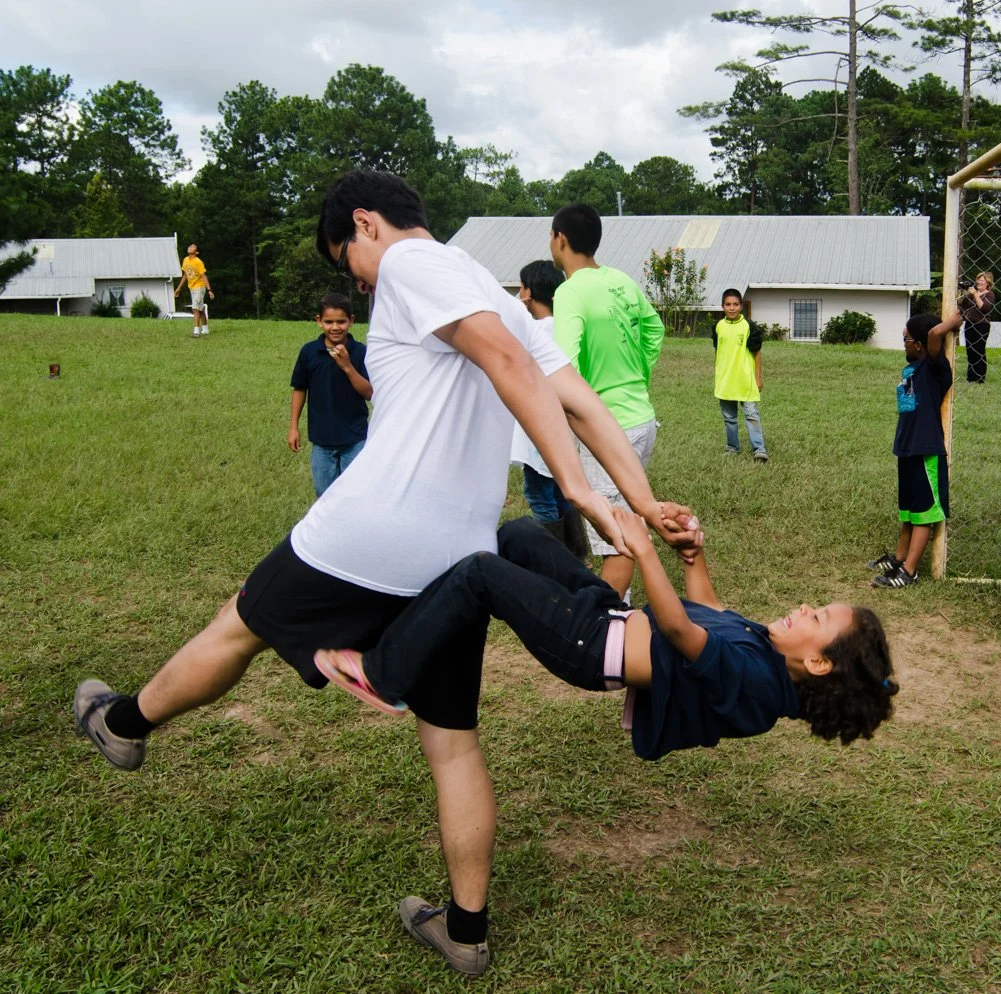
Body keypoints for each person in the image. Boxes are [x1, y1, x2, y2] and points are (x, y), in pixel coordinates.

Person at [72, 169, 700, 979]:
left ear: (366, 223)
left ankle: (122, 728)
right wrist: (641, 501)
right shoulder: (488, 283)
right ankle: (466, 930)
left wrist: (580, 488)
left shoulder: (410, 266)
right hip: (456, 555)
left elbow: (512, 364)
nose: (356, 282)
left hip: (369, 533)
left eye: (348, 260)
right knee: (450, 741)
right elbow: (575, 395)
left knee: (242, 623)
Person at [314, 509, 898, 765]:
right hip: (605, 612)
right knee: (518, 536)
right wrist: (696, 556)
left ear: (819, 665)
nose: (804, 608)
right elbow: (706, 608)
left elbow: (679, 627)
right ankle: (425, 601)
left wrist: (643, 550)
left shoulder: (758, 687)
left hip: (588, 644)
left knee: (481, 573)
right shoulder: (766, 650)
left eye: (817, 618)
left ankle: (385, 675)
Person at [551, 202, 667, 597]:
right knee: (626, 520)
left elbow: (561, 364)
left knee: (615, 540)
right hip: (642, 418)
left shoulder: (569, 292)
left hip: (605, 429)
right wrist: (637, 375)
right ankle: (622, 616)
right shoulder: (620, 279)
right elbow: (654, 329)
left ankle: (602, 632)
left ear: (560, 239)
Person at [865, 311, 960, 589]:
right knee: (908, 511)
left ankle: (910, 570)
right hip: (906, 448)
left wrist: (958, 317)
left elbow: (934, 334)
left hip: (926, 448)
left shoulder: (934, 368)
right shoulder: (913, 368)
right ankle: (899, 557)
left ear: (918, 344)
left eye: (906, 338)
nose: (903, 343)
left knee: (924, 512)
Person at [510, 259, 589, 559]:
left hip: (536, 430)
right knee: (562, 492)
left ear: (528, 293)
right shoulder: (564, 328)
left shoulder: (530, 332)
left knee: (539, 496)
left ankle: (554, 559)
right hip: (564, 427)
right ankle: (577, 555)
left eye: (521, 287)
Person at [288, 291, 372, 497]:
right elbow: (300, 388)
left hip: (355, 438)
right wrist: (293, 427)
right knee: (324, 496)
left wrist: (347, 366)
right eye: (329, 321)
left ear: (351, 321)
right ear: (319, 321)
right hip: (322, 440)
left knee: (354, 495)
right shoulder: (309, 352)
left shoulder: (361, 352)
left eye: (341, 321)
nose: (335, 327)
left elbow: (369, 392)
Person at [713, 288, 768, 462]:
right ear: (722, 306)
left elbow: (757, 352)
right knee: (729, 418)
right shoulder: (718, 327)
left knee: (752, 415)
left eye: (735, 304)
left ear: (741, 306)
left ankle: (759, 449)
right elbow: (718, 351)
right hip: (725, 381)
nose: (732, 308)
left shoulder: (749, 326)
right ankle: (732, 448)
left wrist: (758, 377)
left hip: (745, 380)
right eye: (728, 304)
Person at [959, 272, 996, 384]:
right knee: (970, 350)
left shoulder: (990, 294)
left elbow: (984, 308)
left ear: (988, 283)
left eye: (982, 280)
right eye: (978, 279)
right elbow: (962, 305)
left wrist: (975, 294)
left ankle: (980, 377)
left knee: (979, 349)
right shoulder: (971, 295)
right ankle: (970, 377)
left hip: (982, 325)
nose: (979, 282)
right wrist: (963, 291)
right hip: (970, 324)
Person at [174, 242, 214, 338]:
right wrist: (179, 288)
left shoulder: (198, 262)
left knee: (195, 308)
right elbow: (185, 275)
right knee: (200, 309)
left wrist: (210, 290)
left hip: (200, 287)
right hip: (192, 287)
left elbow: (204, 276)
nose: (190, 247)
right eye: (190, 246)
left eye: (193, 247)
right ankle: (205, 329)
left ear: (197, 252)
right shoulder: (185, 260)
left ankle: (196, 331)